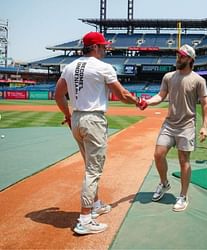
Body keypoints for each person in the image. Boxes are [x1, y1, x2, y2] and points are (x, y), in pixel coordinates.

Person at [54, 31, 141, 235]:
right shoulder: (103, 67)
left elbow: (58, 94)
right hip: (94, 120)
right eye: (103, 46)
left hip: (77, 119)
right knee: (93, 170)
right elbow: (122, 94)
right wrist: (138, 102)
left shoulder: (70, 66)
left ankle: (96, 204)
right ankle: (85, 218)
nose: (105, 49)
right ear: (94, 47)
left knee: (89, 165)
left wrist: (68, 115)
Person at [138, 44, 207, 212]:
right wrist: (147, 102)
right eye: (178, 55)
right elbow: (161, 96)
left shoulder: (199, 80)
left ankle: (183, 196)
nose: (178, 58)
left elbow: (205, 104)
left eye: (182, 56)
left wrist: (205, 126)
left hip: (187, 125)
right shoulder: (168, 77)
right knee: (158, 154)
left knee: (184, 161)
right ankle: (164, 184)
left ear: (190, 59)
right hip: (169, 123)